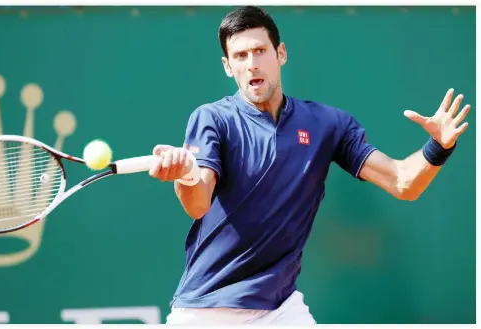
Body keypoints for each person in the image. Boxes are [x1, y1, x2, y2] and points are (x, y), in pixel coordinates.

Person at [148, 6, 471, 325]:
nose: (252, 65)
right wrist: (186, 175)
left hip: (281, 308)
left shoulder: (327, 124)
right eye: (240, 56)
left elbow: (404, 183)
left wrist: (438, 147)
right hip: (209, 310)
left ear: (281, 54)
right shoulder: (213, 119)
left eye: (260, 51)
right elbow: (198, 203)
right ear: (227, 66)